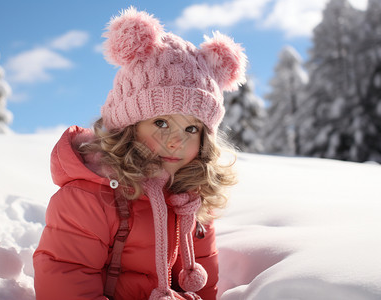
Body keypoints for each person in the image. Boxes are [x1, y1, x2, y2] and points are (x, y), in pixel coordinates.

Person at [33, 7, 247, 300]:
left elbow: (202, 285)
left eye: (191, 129)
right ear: (128, 127)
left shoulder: (190, 201)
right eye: (161, 122)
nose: (176, 141)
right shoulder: (90, 197)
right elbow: (66, 278)